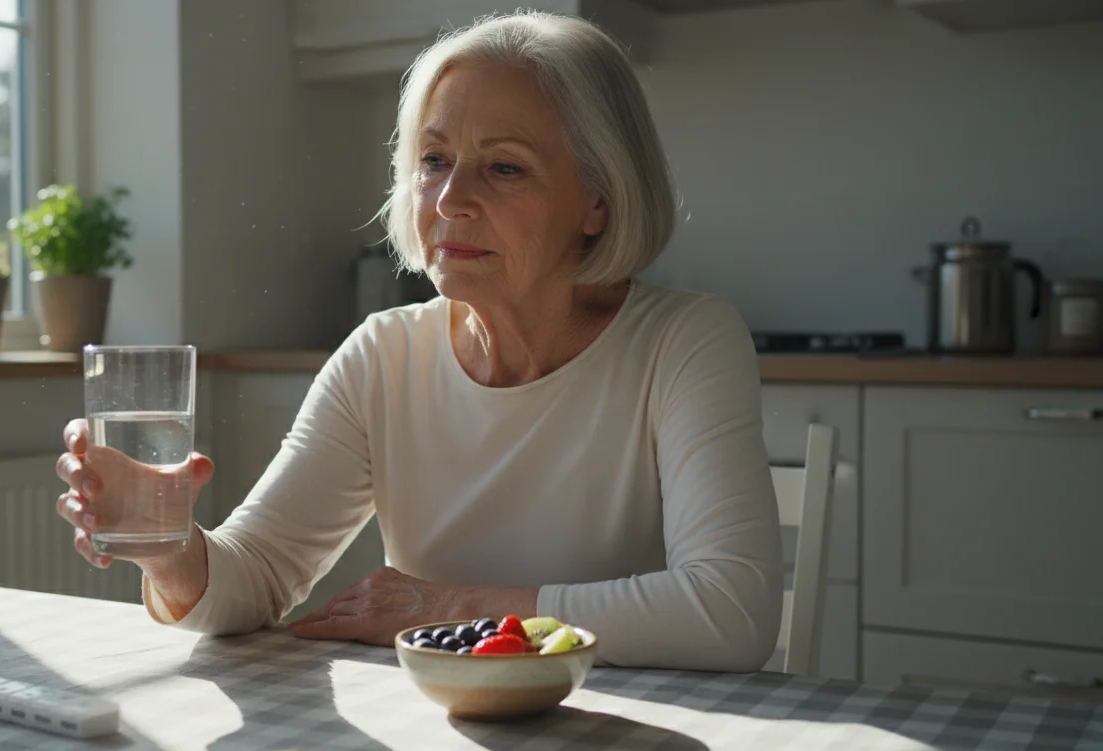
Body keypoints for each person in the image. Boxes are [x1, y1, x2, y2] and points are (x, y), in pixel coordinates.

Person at [55, 10, 782, 671]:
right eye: (434, 160)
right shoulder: (384, 356)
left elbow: (728, 613)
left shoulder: (684, 342)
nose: (448, 200)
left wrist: (443, 608)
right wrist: (171, 549)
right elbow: (260, 573)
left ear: (599, 200)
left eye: (503, 167)